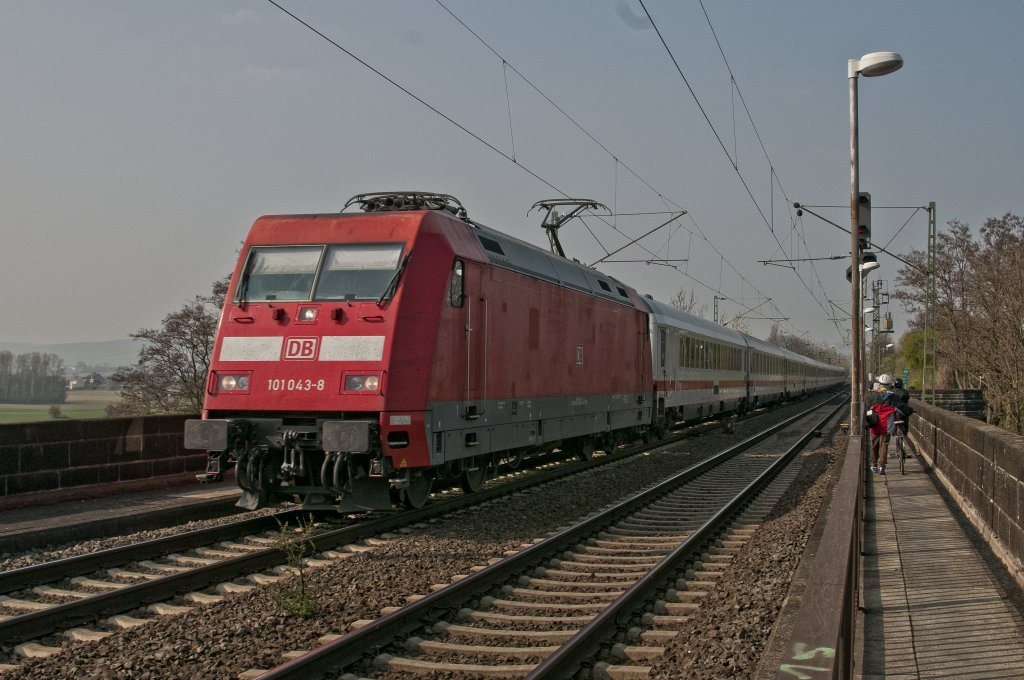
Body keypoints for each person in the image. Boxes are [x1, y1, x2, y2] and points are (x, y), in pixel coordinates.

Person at [866, 374, 897, 474]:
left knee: (874, 444)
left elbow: (868, 409)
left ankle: (873, 465)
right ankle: (881, 466)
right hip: (886, 425)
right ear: (889, 385)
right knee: (884, 445)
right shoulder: (892, 397)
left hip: (875, 423)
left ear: (879, 384)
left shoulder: (874, 396)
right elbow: (900, 408)